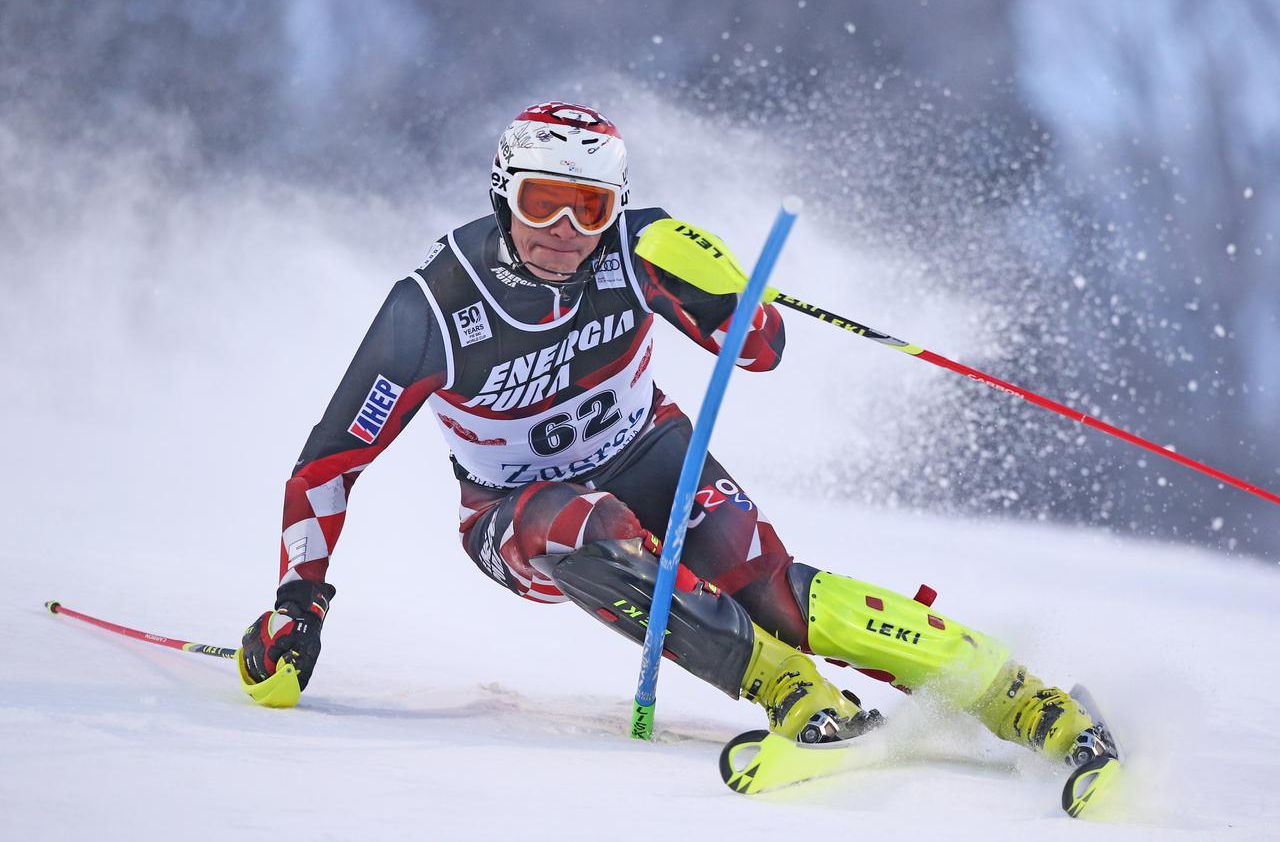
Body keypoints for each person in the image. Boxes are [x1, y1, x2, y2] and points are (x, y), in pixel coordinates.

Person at [239, 102, 1116, 764]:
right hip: (515, 511)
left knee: (775, 591)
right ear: (503, 194)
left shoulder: (636, 248)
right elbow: (328, 466)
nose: (562, 233)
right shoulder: (433, 307)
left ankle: (1024, 701)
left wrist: (731, 291)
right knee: (585, 526)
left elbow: (763, 350)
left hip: (652, 453)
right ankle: (787, 690)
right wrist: (299, 604)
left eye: (588, 210)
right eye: (542, 203)